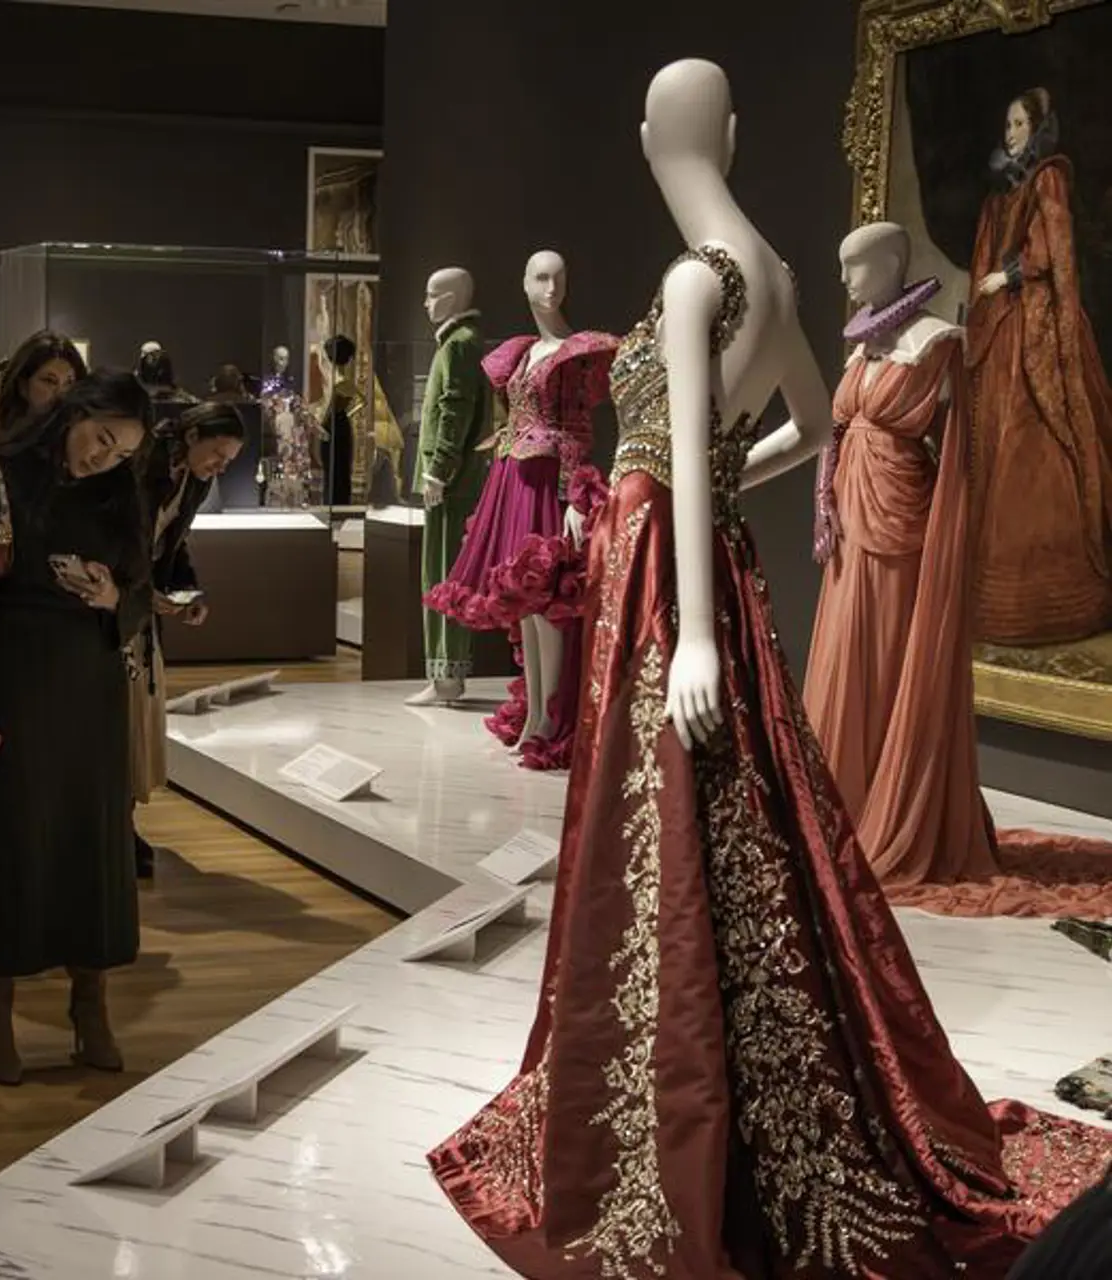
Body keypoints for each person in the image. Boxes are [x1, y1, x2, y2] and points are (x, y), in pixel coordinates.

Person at [426, 61, 1112, 1276]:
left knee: (675, 831)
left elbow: (688, 447)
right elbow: (813, 422)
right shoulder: (783, 279)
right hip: (702, 564)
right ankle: (730, 1080)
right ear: (732, 136)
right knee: (738, 827)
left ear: (657, 137)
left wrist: (689, 622)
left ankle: (679, 1118)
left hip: (668, 588)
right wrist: (727, 499)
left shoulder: (698, 278)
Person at [806, 223, 1112, 918]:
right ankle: (841, 802)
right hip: (851, 527)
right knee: (850, 662)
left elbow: (956, 466)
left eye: (856, 267)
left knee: (888, 661)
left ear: (891, 264)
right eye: (843, 267)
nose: (847, 281)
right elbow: (840, 434)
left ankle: (895, 812)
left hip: (901, 527)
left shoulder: (938, 343)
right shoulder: (864, 348)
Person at [0, 371, 152, 1085]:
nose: (103, 459)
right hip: (16, 680)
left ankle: (90, 1006)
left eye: (120, 452)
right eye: (100, 439)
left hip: (90, 684)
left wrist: (114, 594)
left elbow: (142, 590)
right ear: (74, 412)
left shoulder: (120, 493)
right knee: (15, 842)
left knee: (94, 843)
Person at [967, 87, 1112, 647]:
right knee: (999, 449)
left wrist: (1009, 275)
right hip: (1005, 330)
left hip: (1034, 330)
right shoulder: (1004, 188)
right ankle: (992, 598)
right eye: (1007, 123)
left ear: (1039, 126)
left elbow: (1052, 252)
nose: (1010, 132)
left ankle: (1048, 599)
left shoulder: (1047, 178)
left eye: (1020, 122)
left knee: (1034, 451)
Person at [130, 402, 244, 878]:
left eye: (229, 460)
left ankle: (122, 821)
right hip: (112, 601)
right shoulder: (142, 462)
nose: (221, 466)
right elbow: (119, 539)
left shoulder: (194, 479)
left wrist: (187, 590)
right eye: (217, 452)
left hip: (139, 609)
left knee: (137, 718)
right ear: (193, 434)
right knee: (120, 717)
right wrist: (140, 592)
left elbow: (173, 542)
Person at [0, 329, 86, 438]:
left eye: (69, 383)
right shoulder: (5, 447)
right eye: (50, 381)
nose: (61, 393)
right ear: (23, 386)